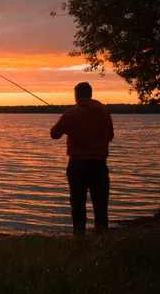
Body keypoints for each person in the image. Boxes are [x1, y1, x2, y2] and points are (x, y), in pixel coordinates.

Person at [50, 82, 114, 234]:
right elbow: (110, 136)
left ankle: (79, 237)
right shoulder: (105, 113)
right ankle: (102, 237)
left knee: (78, 204)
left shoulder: (70, 114)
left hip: (78, 165)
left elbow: (54, 134)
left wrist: (67, 122)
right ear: (90, 94)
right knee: (100, 204)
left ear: (76, 95)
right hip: (99, 165)